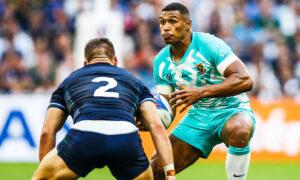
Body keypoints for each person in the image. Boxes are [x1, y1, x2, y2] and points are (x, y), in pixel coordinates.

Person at [32, 38, 175, 180]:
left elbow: (47, 132)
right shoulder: (136, 82)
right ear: (115, 61)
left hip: (85, 136)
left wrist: (46, 168)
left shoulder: (69, 81)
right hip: (125, 137)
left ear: (85, 64)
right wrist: (170, 175)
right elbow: (157, 127)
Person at [151, 3, 256, 180]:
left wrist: (200, 92)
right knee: (155, 172)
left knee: (240, 129)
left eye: (172, 21)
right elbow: (167, 108)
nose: (166, 27)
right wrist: (150, 118)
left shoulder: (209, 44)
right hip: (198, 118)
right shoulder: (161, 62)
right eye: (162, 22)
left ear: (187, 24)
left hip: (232, 110)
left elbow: (245, 79)